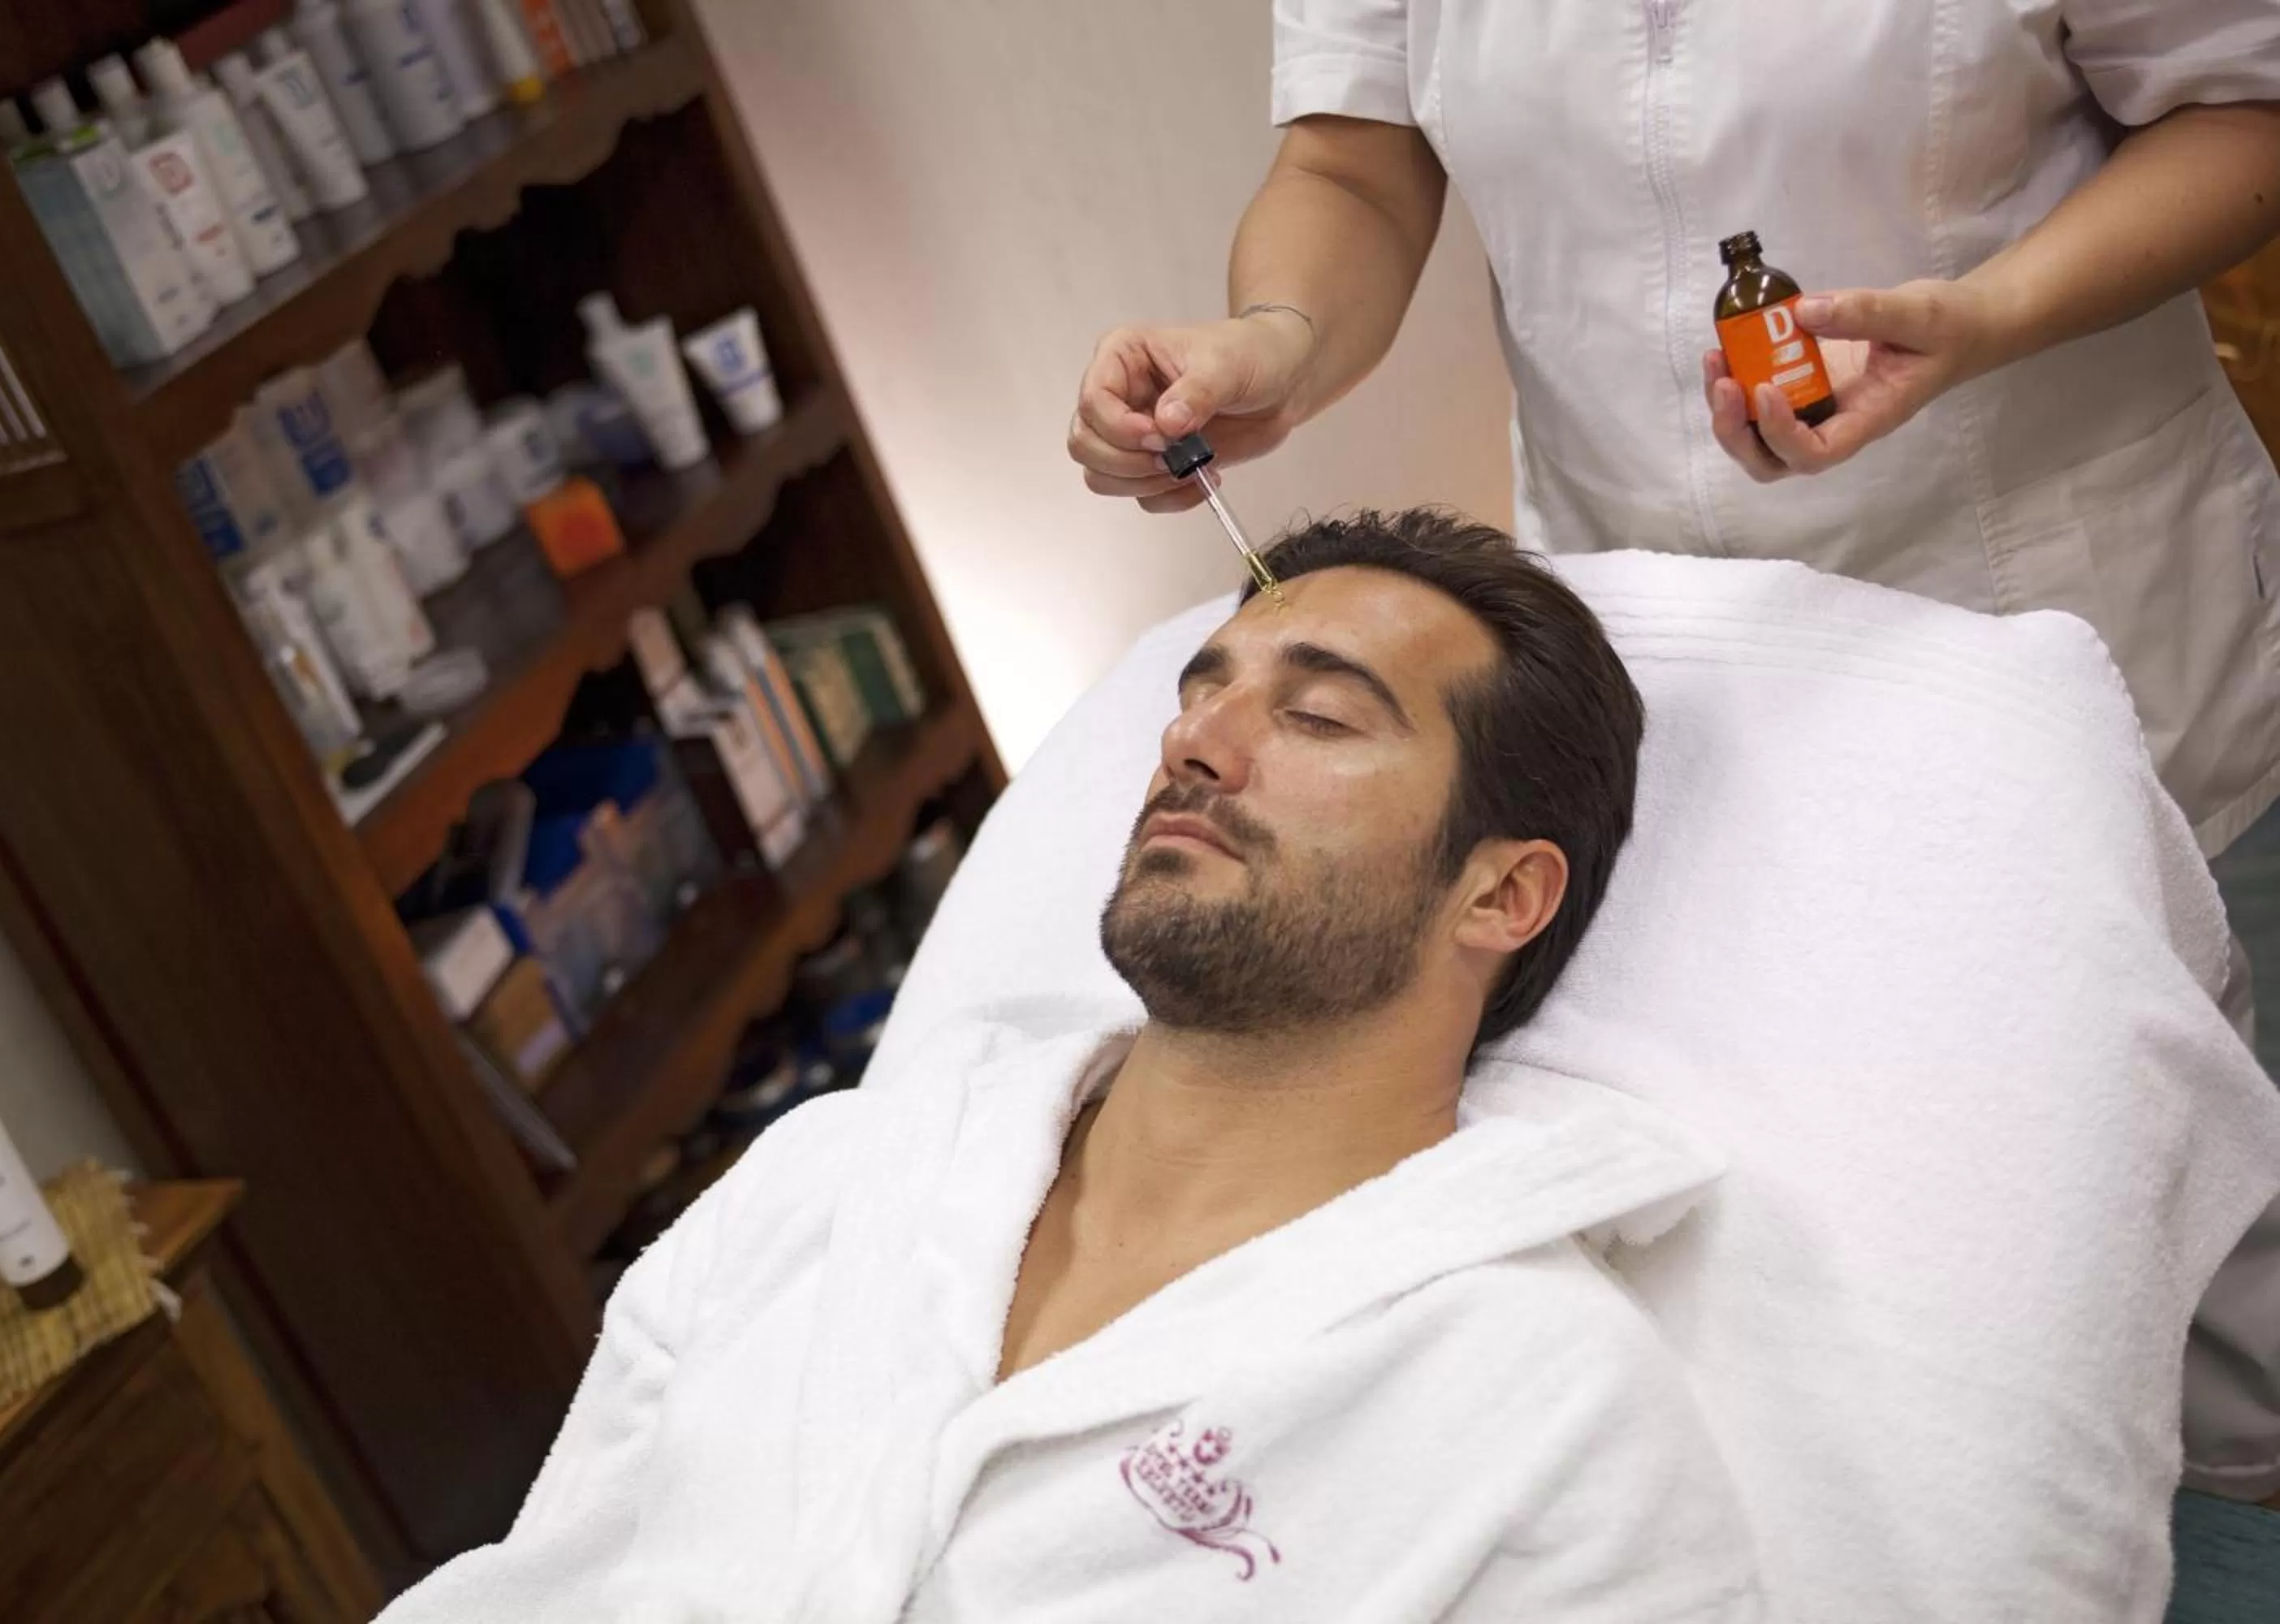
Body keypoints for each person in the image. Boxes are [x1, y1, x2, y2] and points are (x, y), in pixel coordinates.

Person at [1066, 2, 2280, 1500]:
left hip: (2058, 574)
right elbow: (1355, 166)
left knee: (2210, 1226)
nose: (1206, 749)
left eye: (1319, 711)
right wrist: (1273, 342)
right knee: (1892, 1228)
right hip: (1680, 624)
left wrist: (1986, 314)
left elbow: (2246, 112)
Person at [377, 513, 1762, 1622]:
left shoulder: (1554, 1414)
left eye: (1320, 720)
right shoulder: (839, 1173)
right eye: (1200, 695)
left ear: (1502, 895)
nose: (1193, 746)